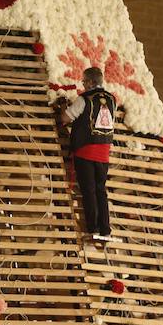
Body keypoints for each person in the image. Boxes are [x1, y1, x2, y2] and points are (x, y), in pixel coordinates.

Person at [59, 67, 116, 239]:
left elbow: (65, 118)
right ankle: (105, 229)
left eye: (84, 81)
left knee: (88, 190)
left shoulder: (85, 99)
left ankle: (93, 228)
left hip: (85, 151)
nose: (83, 84)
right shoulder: (112, 99)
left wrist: (63, 106)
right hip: (104, 152)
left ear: (91, 82)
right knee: (100, 190)